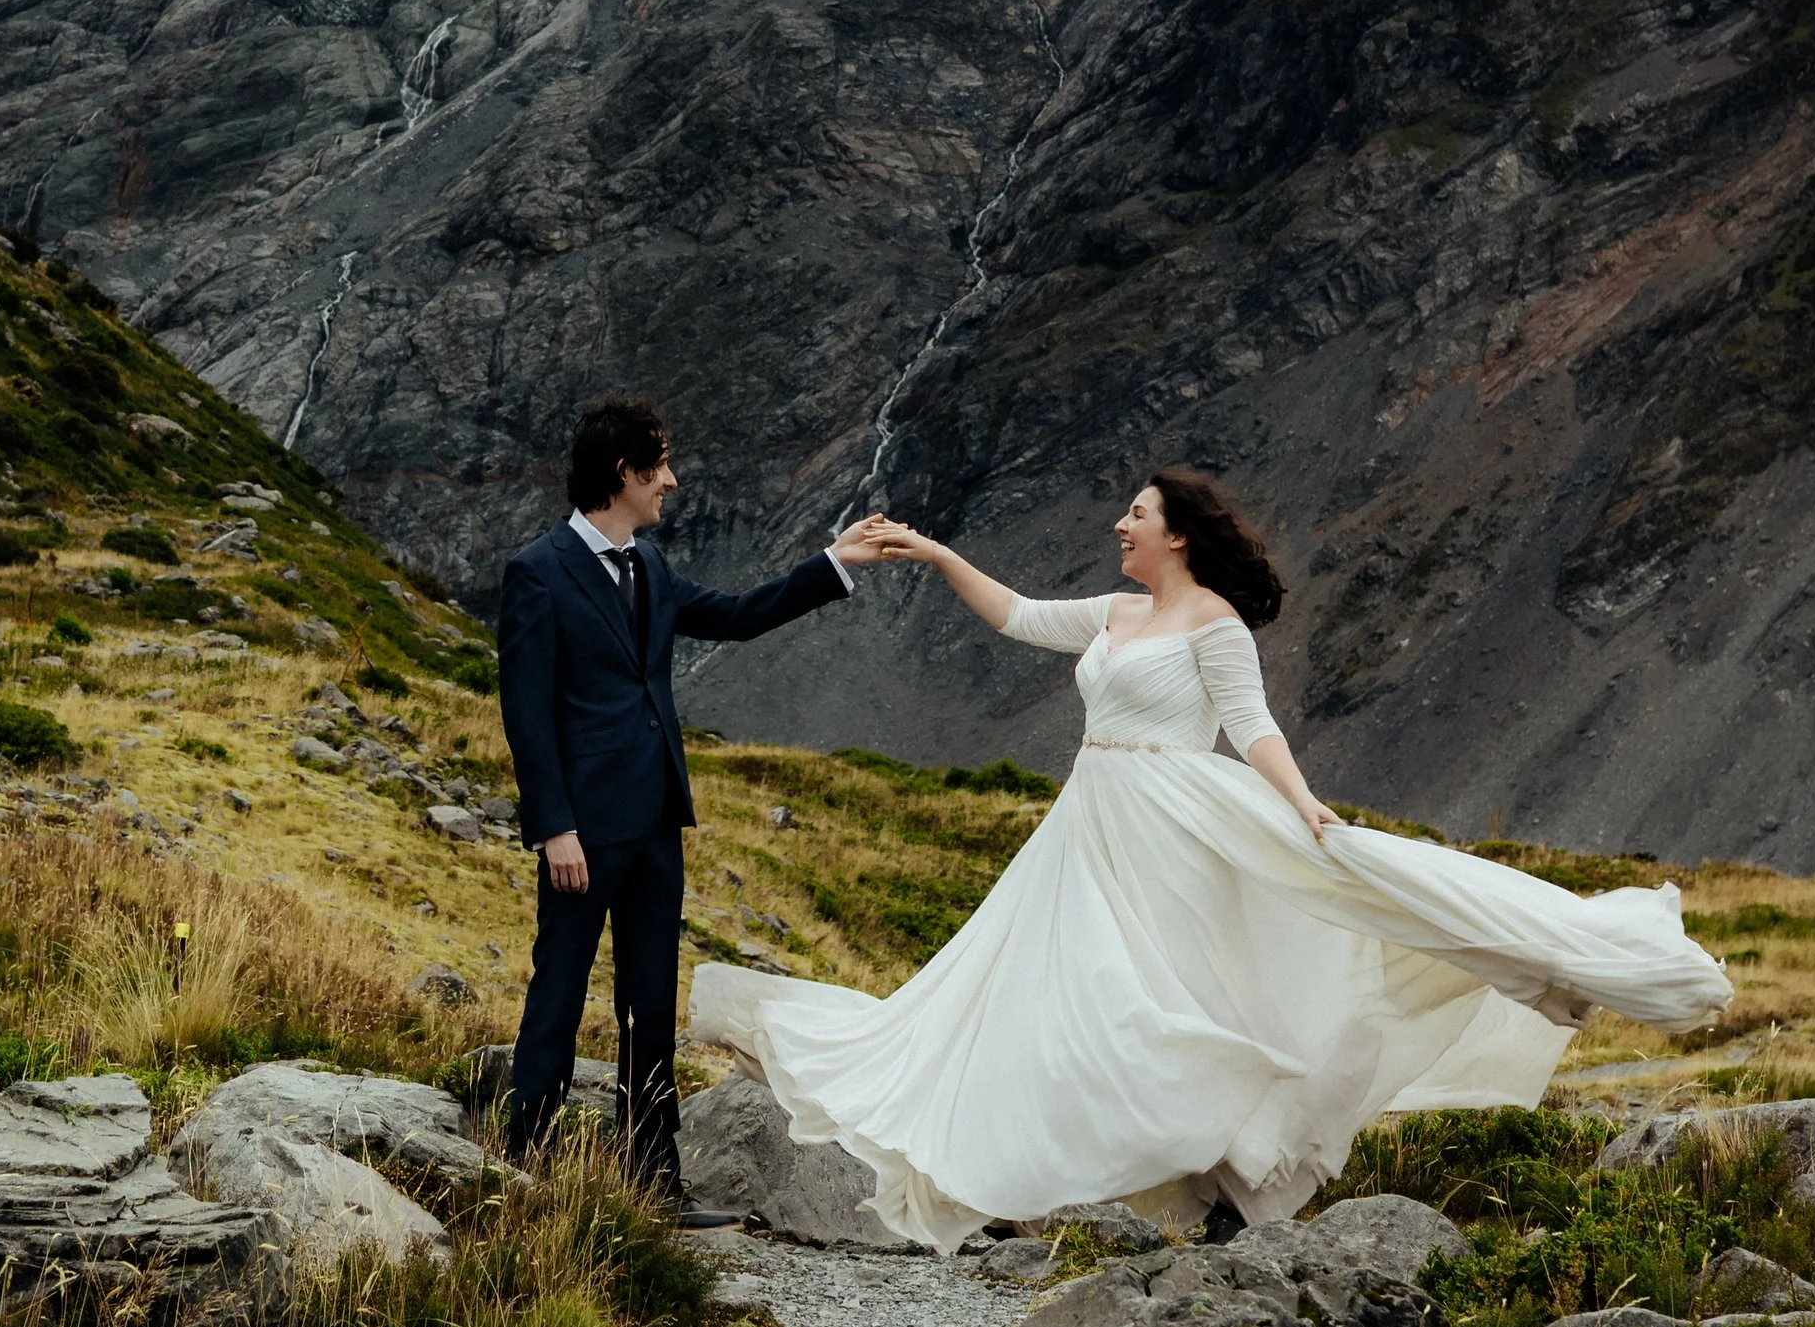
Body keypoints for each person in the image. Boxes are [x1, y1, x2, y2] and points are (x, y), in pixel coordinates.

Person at [689, 466, 1733, 1251]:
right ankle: (1161, 1164)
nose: (1119, 525)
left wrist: (1303, 803)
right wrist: (931, 552)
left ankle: (1228, 1169)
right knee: (1075, 988)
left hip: (1177, 820)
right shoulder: (1116, 613)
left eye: (1134, 515)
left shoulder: (1213, 623)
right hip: (1094, 821)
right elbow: (1017, 616)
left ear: (1175, 536)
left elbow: (1250, 723)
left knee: (1183, 988)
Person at [498, 388, 887, 1209]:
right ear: (623, 473)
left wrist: (835, 562)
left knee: (651, 1006)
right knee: (557, 994)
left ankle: (653, 1181)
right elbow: (526, 715)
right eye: (661, 465)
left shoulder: (653, 567)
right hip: (583, 833)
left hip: (653, 824)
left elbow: (741, 617)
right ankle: (516, 1171)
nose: (671, 481)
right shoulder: (538, 572)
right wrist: (555, 828)